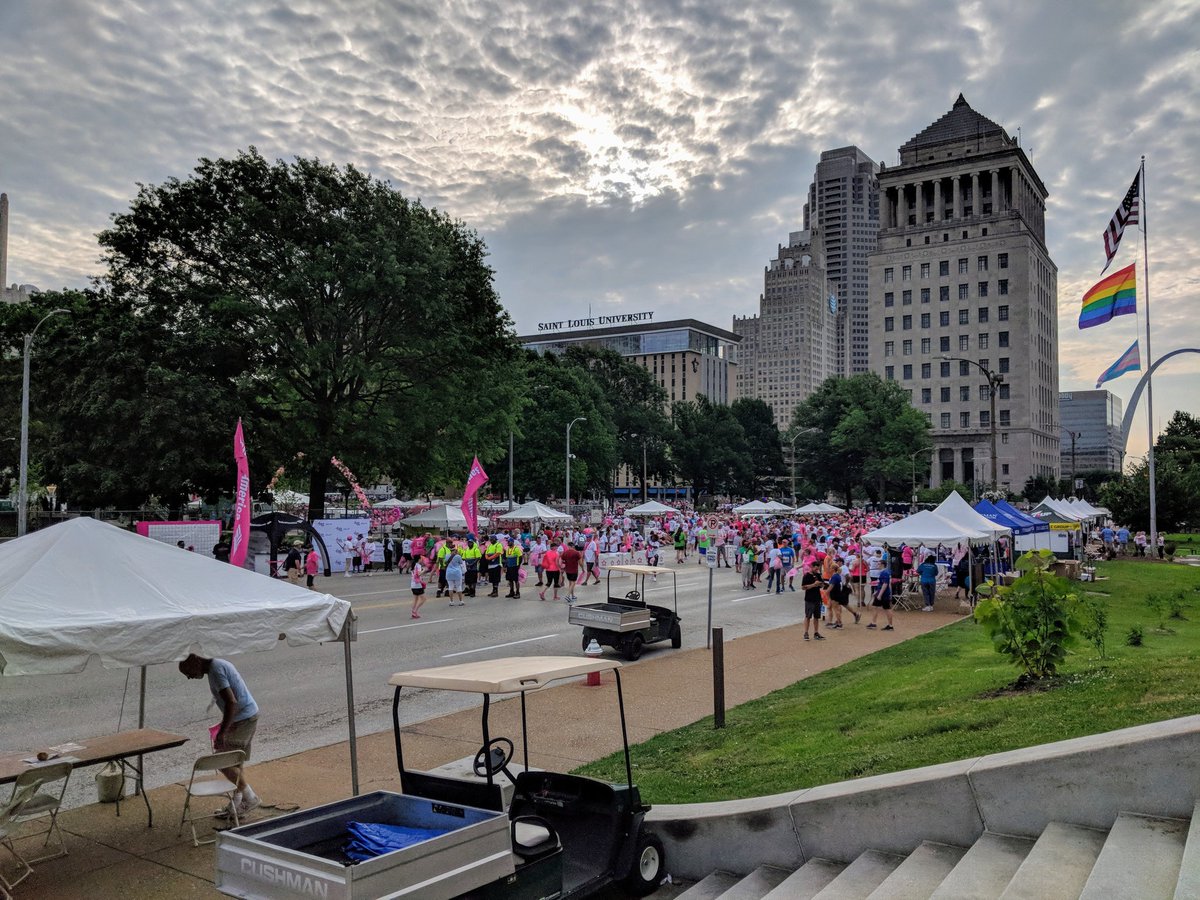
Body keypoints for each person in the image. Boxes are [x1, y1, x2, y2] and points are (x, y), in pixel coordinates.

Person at [178, 654, 260, 816]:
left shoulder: (216, 671)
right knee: (235, 763)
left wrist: (223, 731)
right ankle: (237, 803)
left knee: (223, 762)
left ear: (196, 661)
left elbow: (231, 701)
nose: (189, 677)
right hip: (244, 716)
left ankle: (250, 798)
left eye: (188, 672)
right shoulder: (217, 666)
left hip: (243, 719)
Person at [800, 560, 826, 641]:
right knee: (808, 616)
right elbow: (803, 587)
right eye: (816, 569)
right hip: (809, 599)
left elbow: (822, 585)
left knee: (816, 617)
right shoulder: (806, 576)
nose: (817, 570)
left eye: (817, 569)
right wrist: (813, 585)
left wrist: (820, 584)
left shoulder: (818, 575)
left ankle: (816, 633)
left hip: (817, 598)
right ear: (811, 567)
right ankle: (806, 633)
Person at [867, 566, 895, 631]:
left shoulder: (884, 573)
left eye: (878, 564)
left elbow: (885, 584)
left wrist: (879, 595)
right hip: (883, 593)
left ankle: (889, 625)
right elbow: (884, 584)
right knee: (876, 607)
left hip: (883, 594)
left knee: (886, 609)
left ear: (882, 565)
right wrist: (877, 592)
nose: (877, 565)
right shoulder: (886, 572)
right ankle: (874, 623)